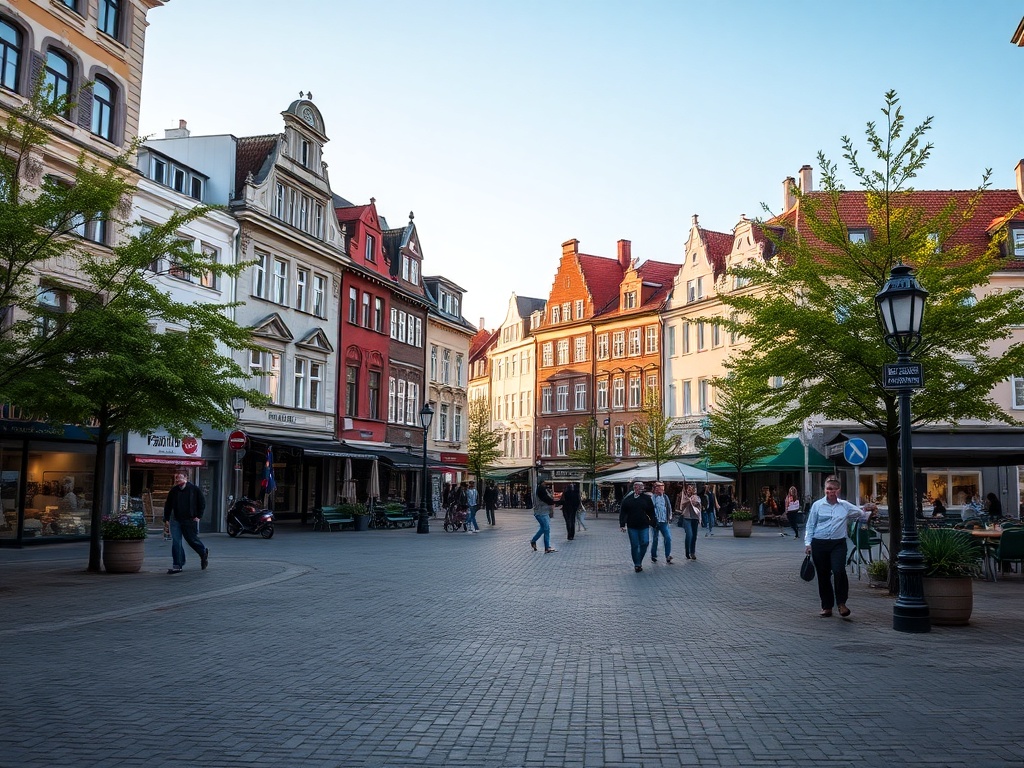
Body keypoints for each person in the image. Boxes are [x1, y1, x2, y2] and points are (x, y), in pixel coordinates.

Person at [803, 477, 876, 618]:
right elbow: (810, 525)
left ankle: (842, 603)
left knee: (838, 571)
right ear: (825, 489)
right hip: (819, 543)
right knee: (823, 575)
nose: (830, 491)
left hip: (838, 544)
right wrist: (808, 543)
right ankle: (827, 606)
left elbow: (860, 513)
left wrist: (867, 511)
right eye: (828, 489)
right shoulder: (817, 505)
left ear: (838, 490)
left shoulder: (845, 506)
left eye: (833, 489)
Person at [162, 470, 209, 574]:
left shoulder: (194, 489)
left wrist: (198, 516)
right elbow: (168, 505)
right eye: (176, 478)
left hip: (189, 520)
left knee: (192, 540)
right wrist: (166, 519)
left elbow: (202, 502)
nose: (178, 480)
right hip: (176, 520)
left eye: (180, 478)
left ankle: (203, 552)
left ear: (186, 478)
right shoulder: (174, 491)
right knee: (176, 542)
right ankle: (177, 565)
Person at [619, 480, 656, 572]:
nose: (641, 488)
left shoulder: (646, 498)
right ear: (635, 488)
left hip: (644, 525)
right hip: (632, 526)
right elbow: (623, 511)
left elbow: (651, 511)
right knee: (635, 545)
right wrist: (622, 524)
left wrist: (652, 521)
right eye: (639, 487)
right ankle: (637, 564)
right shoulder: (628, 499)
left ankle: (639, 560)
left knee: (645, 542)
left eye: (642, 487)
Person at [675, 483, 703, 560]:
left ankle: (692, 552)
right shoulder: (684, 497)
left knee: (694, 535)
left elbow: (699, 506)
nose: (690, 490)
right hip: (686, 517)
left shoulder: (697, 497)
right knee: (689, 534)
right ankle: (687, 551)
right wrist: (689, 500)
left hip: (695, 518)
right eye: (688, 489)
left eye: (691, 489)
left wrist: (696, 502)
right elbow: (682, 506)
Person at [649, 481, 673, 564]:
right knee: (655, 539)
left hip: (664, 521)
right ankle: (653, 555)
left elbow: (669, 507)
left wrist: (669, 517)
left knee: (668, 538)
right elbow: (650, 509)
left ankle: (668, 555)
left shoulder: (665, 497)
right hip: (655, 522)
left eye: (660, 488)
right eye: (657, 488)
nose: (658, 490)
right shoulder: (653, 498)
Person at [531, 479, 558, 553]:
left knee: (543, 528)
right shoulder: (541, 491)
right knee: (546, 529)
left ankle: (534, 540)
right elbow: (547, 500)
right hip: (542, 513)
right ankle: (547, 547)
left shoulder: (541, 490)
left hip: (542, 512)